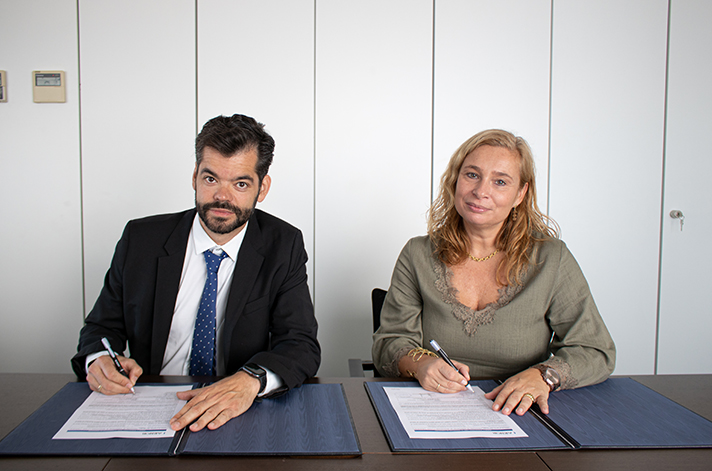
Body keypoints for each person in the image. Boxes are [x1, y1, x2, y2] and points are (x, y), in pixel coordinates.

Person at [72, 114, 320, 432]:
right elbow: (101, 328)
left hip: (238, 408)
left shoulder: (283, 245)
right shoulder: (141, 239)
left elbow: (300, 344)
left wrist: (251, 381)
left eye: (240, 184)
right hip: (149, 406)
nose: (222, 197)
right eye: (211, 179)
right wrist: (99, 360)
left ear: (263, 187)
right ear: (195, 177)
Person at [372, 129, 615, 417]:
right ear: (455, 180)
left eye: (500, 181)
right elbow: (389, 342)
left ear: (520, 194)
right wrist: (421, 364)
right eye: (472, 175)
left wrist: (542, 376)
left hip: (522, 412)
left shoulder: (551, 259)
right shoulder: (417, 254)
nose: (480, 191)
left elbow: (595, 350)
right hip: (435, 409)